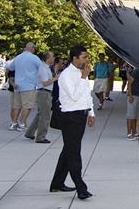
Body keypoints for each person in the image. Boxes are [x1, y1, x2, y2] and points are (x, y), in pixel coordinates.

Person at [50, 45, 94, 199]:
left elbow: (86, 94)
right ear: (74, 58)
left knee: (69, 149)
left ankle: (57, 183)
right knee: (74, 151)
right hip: (70, 116)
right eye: (84, 57)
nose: (87, 59)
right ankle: (80, 186)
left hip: (81, 114)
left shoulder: (82, 74)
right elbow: (74, 96)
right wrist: (83, 77)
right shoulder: (67, 75)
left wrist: (91, 112)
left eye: (87, 57)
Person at [7, 43, 44, 131]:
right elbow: (41, 68)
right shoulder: (34, 58)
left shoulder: (18, 57)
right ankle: (22, 124)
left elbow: (10, 67)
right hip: (29, 85)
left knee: (17, 106)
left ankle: (14, 123)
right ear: (32, 48)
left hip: (18, 86)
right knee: (27, 106)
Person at [25, 51, 57, 143]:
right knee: (45, 116)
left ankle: (29, 133)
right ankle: (41, 137)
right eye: (52, 56)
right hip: (44, 93)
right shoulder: (43, 68)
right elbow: (45, 83)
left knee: (40, 114)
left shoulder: (46, 67)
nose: (54, 58)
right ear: (48, 58)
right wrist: (55, 79)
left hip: (44, 93)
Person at [126, 61, 139, 141]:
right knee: (130, 115)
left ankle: (134, 132)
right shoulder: (137, 71)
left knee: (135, 116)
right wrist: (130, 95)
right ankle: (128, 133)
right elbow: (129, 83)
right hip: (133, 96)